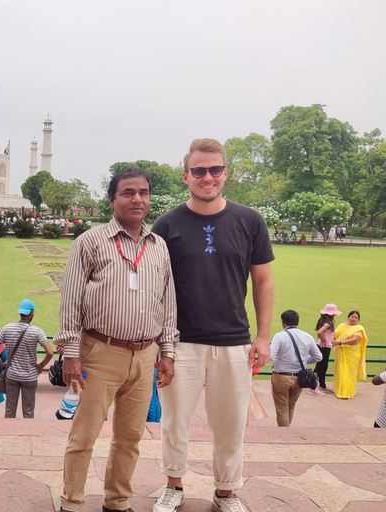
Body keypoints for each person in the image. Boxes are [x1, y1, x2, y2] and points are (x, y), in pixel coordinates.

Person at [151, 139, 274, 512]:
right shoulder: (168, 224)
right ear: (186, 175)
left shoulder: (249, 221)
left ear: (225, 173)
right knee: (174, 422)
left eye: (215, 170)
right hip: (181, 342)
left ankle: (226, 491)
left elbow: (263, 281)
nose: (208, 177)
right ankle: (174, 485)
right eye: (200, 171)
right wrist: (161, 344)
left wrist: (264, 336)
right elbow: (156, 288)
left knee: (231, 424)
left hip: (233, 340)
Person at [56, 167, 178, 512]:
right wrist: (71, 353)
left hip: (144, 356)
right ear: (112, 200)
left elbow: (167, 304)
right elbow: (71, 302)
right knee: (84, 436)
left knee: (130, 438)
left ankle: (118, 501)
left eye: (143, 192)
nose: (137, 198)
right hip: (100, 352)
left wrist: (167, 351)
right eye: (128, 192)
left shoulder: (158, 247)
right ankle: (72, 502)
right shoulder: (91, 242)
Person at [0, 300, 53, 418]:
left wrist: (0, 362)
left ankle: (9, 434)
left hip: (12, 375)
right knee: (28, 412)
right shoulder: (37, 331)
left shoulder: (7, 328)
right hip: (29, 376)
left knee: (9, 410)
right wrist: (41, 366)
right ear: (31, 313)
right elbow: (50, 352)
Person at [269, 310, 322, 427]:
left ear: (283, 323)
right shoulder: (307, 336)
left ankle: (284, 434)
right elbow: (318, 356)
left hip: (281, 376)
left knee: (282, 408)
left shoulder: (280, 336)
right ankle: (288, 432)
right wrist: (302, 361)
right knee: (291, 407)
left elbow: (270, 356)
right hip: (299, 377)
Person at [333, 310, 368, 399]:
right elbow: (334, 334)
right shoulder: (341, 325)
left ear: (358, 320)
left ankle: (348, 391)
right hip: (340, 352)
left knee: (351, 372)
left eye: (356, 318)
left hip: (352, 353)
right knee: (340, 370)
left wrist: (340, 342)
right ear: (348, 317)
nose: (354, 319)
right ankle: (340, 390)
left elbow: (355, 339)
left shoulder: (359, 328)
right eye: (352, 317)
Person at [308, 304, 340, 396]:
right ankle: (312, 387)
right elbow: (319, 332)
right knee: (320, 366)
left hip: (324, 346)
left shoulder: (323, 321)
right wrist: (323, 341)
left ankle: (322, 385)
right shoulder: (328, 323)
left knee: (323, 365)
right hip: (324, 347)